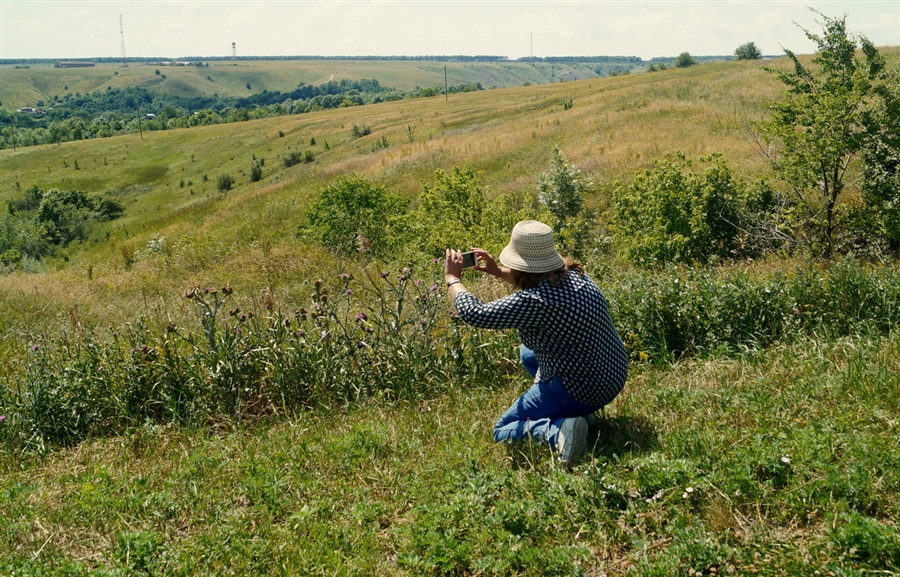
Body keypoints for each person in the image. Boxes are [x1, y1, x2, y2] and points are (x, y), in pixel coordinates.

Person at [444, 220, 628, 467]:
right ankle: (580, 413)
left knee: (503, 429)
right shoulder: (576, 275)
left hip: (583, 388)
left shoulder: (535, 301)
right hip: (613, 373)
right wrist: (498, 271)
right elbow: (536, 281)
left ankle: (561, 429)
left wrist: (452, 278)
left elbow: (475, 313)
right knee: (527, 353)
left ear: (520, 266)